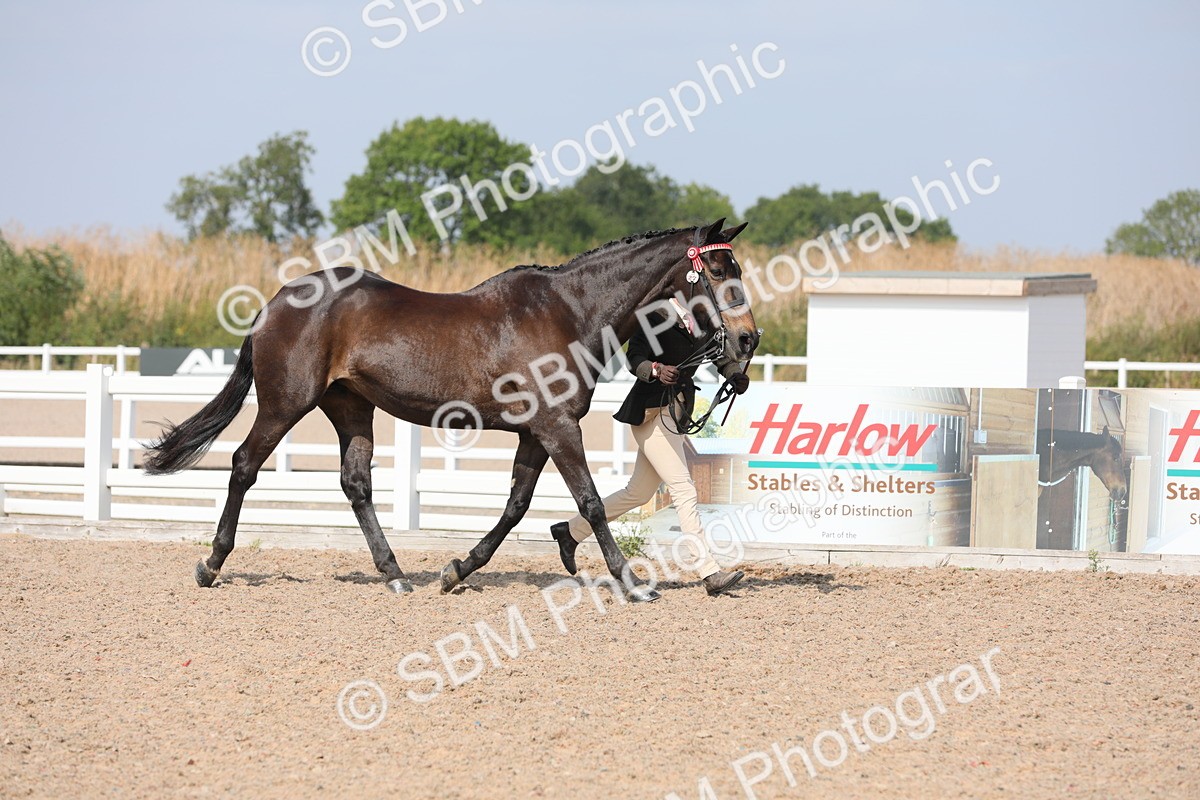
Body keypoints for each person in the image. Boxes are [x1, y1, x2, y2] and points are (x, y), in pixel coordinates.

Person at [551, 302, 751, 596]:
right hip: (649, 412)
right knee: (684, 489)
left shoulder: (700, 316)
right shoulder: (653, 316)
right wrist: (656, 370)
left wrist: (734, 373)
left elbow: (717, 354)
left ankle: (570, 532)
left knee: (638, 493)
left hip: (675, 411)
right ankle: (708, 571)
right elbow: (634, 358)